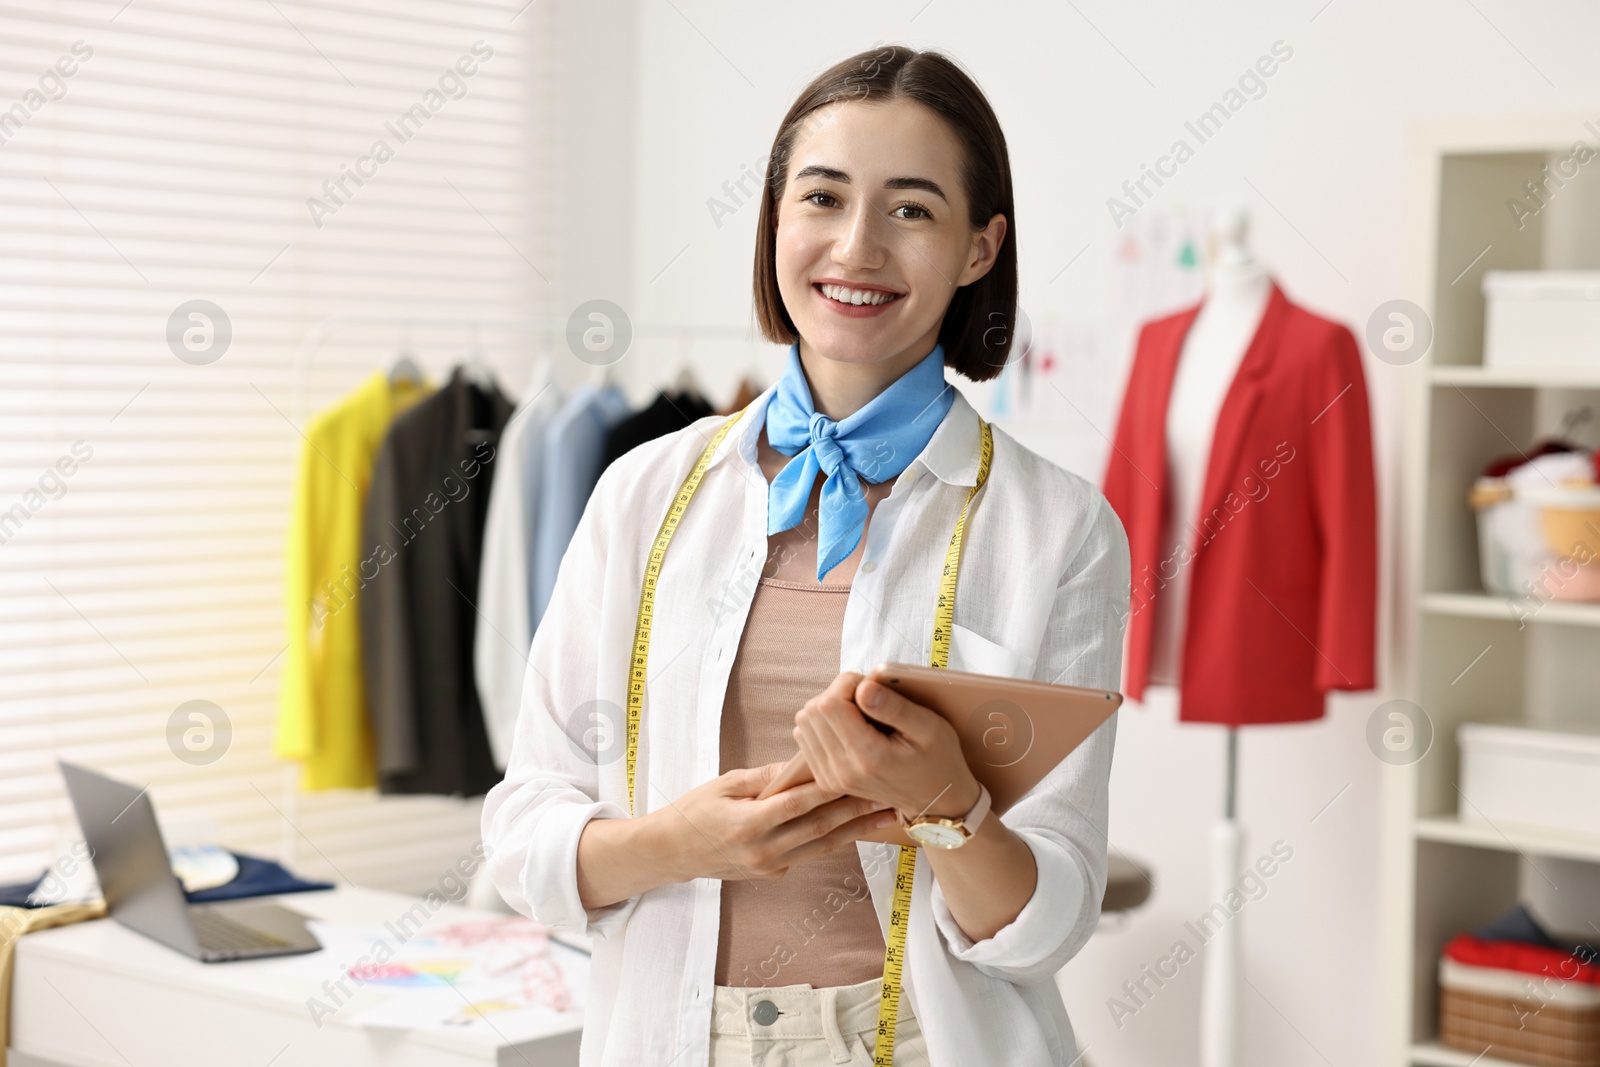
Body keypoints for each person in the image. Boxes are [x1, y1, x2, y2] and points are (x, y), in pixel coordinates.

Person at [483, 44, 1129, 1067]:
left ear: (978, 247)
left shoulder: (1055, 527)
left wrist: (947, 804)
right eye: (822, 197)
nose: (857, 246)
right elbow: (524, 835)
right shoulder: (642, 492)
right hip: (668, 1037)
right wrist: (681, 841)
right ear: (776, 218)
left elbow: (1046, 926)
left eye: (911, 209)